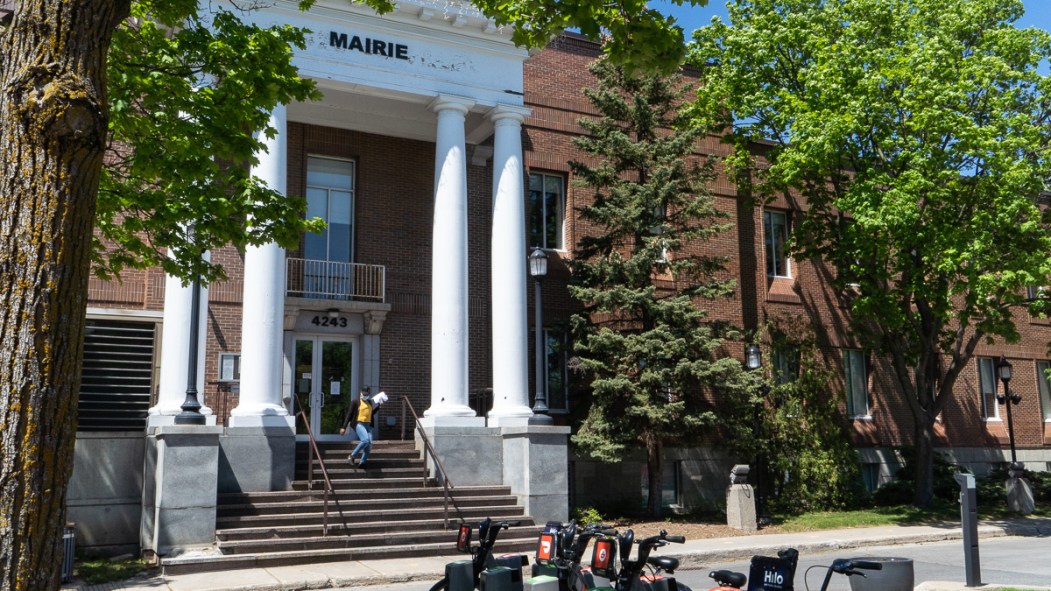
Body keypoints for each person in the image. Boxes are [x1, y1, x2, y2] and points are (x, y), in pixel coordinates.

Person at [340, 387, 387, 468]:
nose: (365, 396)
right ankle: (351, 456)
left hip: (368, 425)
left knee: (369, 445)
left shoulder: (369, 402)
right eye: (364, 394)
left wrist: (379, 406)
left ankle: (363, 462)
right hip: (359, 423)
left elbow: (371, 413)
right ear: (360, 393)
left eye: (367, 395)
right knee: (365, 440)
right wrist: (344, 427)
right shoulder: (355, 402)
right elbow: (349, 414)